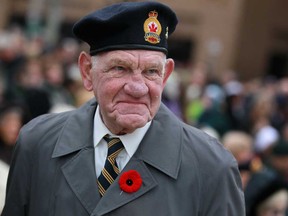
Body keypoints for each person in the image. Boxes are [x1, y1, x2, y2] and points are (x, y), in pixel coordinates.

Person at [2, 2, 245, 215]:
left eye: (151, 71)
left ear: (166, 75)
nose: (138, 88)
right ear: (87, 71)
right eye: (120, 68)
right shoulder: (38, 143)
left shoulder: (212, 168)